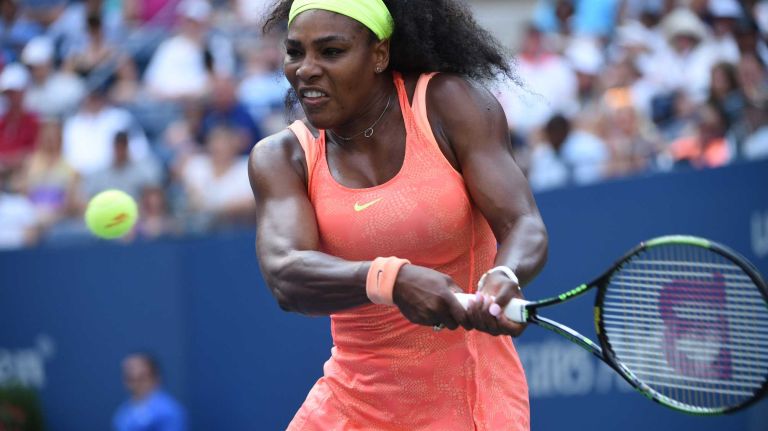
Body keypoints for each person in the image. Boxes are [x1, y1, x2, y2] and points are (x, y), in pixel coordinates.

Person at [249, 1, 548, 430]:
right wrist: (393, 281)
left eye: (330, 52)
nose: (306, 69)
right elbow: (285, 275)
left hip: (470, 406)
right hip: (348, 407)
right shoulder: (282, 157)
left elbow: (523, 222)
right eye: (295, 52)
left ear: (379, 54)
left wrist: (506, 274)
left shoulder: (450, 104)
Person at [113, 353, 187, 431]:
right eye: (129, 378)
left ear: (155, 377)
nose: (135, 384)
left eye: (141, 378)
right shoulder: (124, 410)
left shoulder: (168, 410)